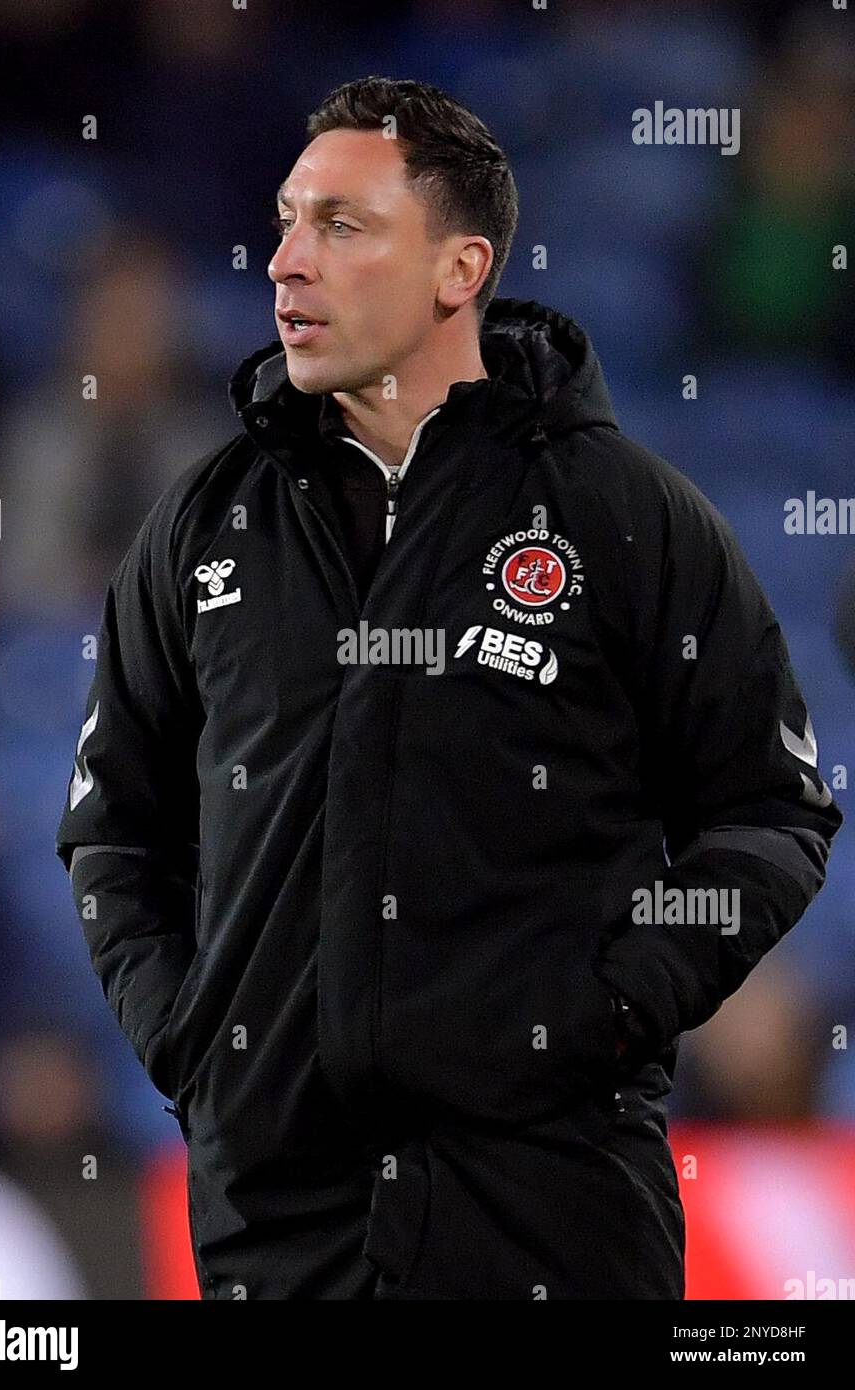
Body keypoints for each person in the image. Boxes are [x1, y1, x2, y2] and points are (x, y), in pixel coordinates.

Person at [55, 76, 843, 1300]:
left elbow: (772, 815)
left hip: (554, 1220)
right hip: (280, 1235)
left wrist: (614, 1006)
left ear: (457, 268)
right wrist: (192, 1043)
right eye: (284, 219)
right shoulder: (200, 528)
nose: (283, 263)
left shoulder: (624, 520)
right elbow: (113, 830)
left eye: (340, 225)